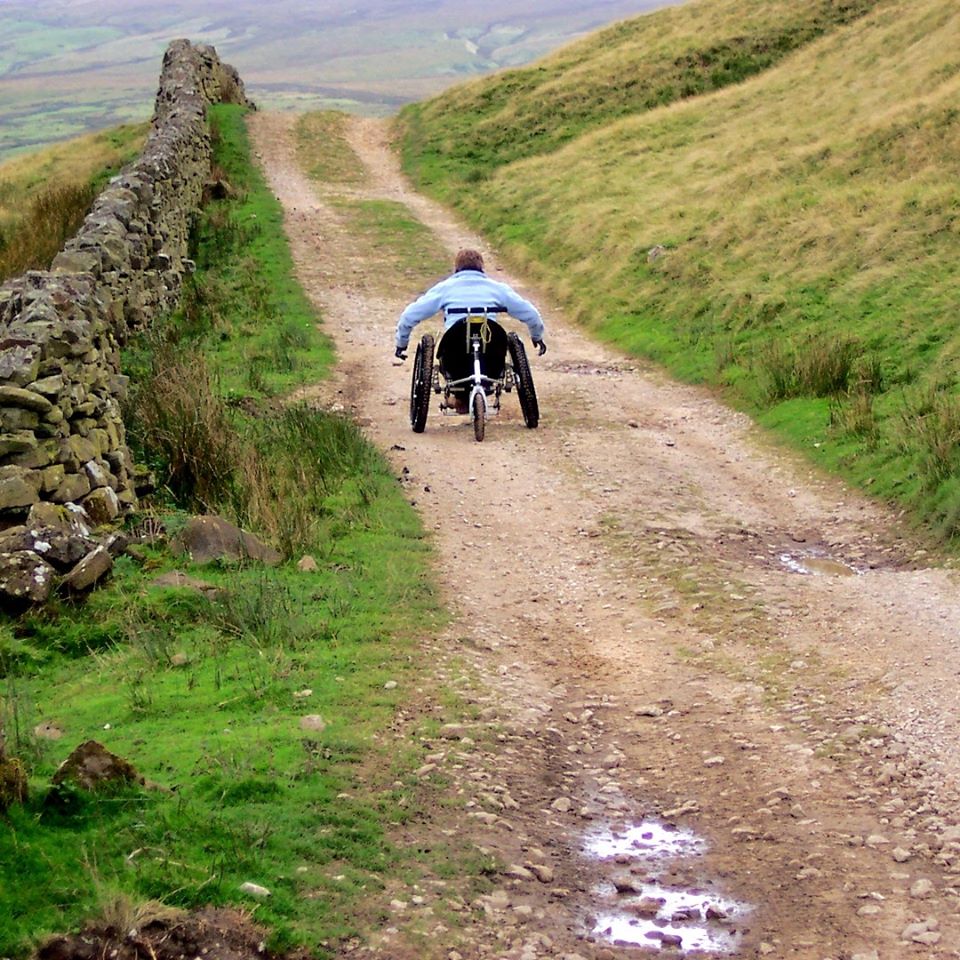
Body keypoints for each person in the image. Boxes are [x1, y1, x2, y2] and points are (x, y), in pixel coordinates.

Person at [394, 249, 547, 362]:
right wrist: (536, 336)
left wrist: (402, 343)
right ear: (482, 268)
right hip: (491, 342)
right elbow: (530, 314)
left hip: (455, 345)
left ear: (456, 268)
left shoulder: (444, 288)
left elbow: (410, 315)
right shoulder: (497, 288)